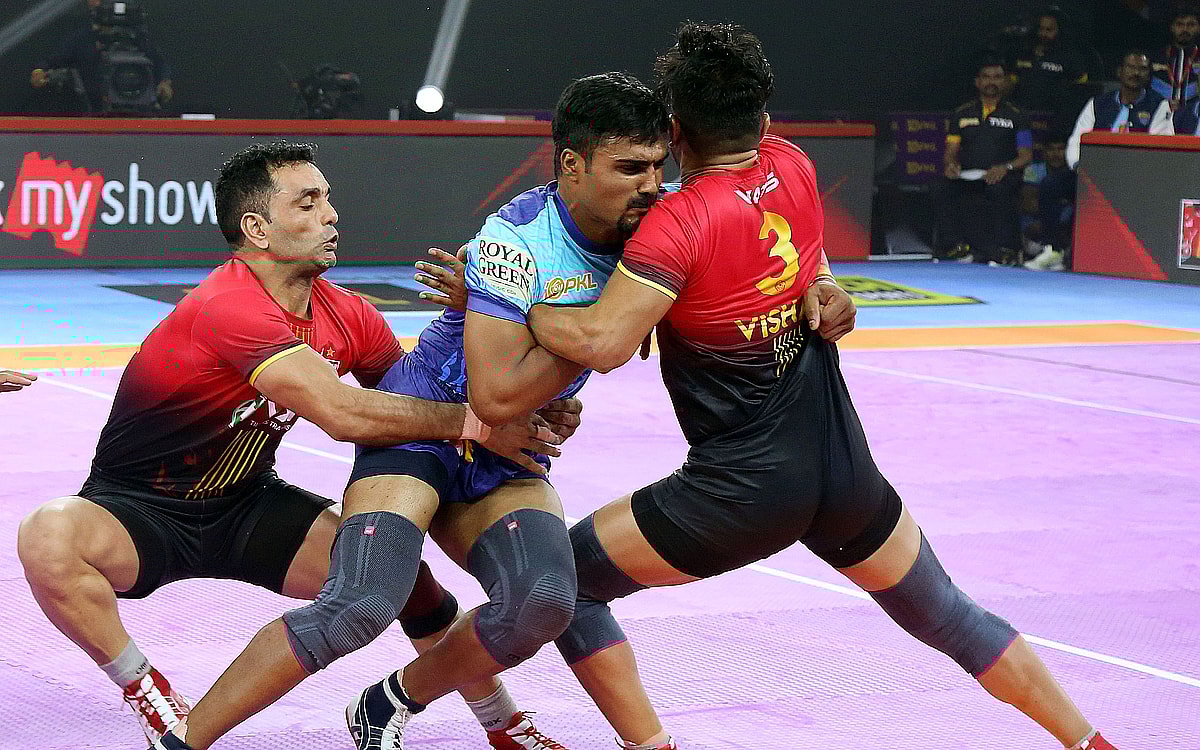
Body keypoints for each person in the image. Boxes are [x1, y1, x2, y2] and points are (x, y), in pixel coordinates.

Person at [523, 22, 1119, 750]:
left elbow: (602, 343)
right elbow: (803, 249)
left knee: (568, 584)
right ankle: (1091, 742)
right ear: (764, 119)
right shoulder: (794, 164)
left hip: (740, 492)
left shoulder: (677, 221)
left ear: (673, 130)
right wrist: (826, 282)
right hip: (842, 472)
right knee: (948, 614)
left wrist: (509, 293)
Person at [146, 72, 671, 750]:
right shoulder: (514, 239)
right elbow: (497, 393)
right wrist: (592, 347)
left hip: (506, 446)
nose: (651, 184)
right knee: (359, 604)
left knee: (544, 600)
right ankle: (181, 743)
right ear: (573, 165)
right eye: (631, 168)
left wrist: (562, 396)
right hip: (423, 431)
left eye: (659, 166)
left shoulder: (664, 226)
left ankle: (389, 700)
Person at [15, 140, 572, 747]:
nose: (331, 215)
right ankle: (144, 687)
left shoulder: (350, 315)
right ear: (257, 228)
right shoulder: (228, 305)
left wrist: (521, 384)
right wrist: (483, 424)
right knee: (48, 537)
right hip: (138, 509)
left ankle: (502, 721)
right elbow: (344, 413)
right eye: (308, 203)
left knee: (394, 572)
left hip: (247, 505)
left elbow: (416, 401)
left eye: (327, 199)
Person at [938, 58, 1034, 265]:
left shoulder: (1017, 115)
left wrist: (1005, 167)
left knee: (997, 189)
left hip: (1003, 175)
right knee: (941, 186)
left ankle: (1003, 250)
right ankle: (955, 246)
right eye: (986, 77)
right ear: (978, 82)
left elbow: (1026, 156)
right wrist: (951, 165)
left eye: (997, 77)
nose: (992, 82)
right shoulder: (961, 113)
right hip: (968, 174)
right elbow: (951, 151)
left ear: (1005, 81)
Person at [29, 0, 173, 114]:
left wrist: (164, 83)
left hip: (137, 110)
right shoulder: (82, 39)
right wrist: (39, 72)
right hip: (94, 112)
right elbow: (54, 60)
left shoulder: (137, 38)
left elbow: (160, 64)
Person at [1066, 49, 1173, 169]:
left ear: (1149, 75)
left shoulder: (1160, 105)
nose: (1136, 73)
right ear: (1119, 71)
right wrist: (1079, 166)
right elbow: (1077, 140)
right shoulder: (1097, 104)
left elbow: (1159, 147)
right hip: (1096, 170)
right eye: (1130, 67)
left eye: (1142, 69)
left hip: (1138, 171)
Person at [1009, 8, 1090, 118]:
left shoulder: (1069, 56)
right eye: (1041, 29)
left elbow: (1080, 89)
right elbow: (1010, 83)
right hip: (1022, 115)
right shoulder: (1023, 52)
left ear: (1059, 31)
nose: (1043, 34)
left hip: (1055, 117)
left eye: (1049, 30)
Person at [1023, 135, 1076, 271]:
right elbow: (1029, 205)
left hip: (1064, 229)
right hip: (1035, 227)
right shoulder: (1033, 170)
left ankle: (1058, 255)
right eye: (1051, 149)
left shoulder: (1074, 175)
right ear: (1044, 152)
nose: (1055, 154)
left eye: (1060, 149)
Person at [1150, 4, 1200, 112]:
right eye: (1180, 24)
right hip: (1157, 114)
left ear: (1198, 28)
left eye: (1191, 25)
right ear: (1172, 27)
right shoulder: (1156, 57)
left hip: (1194, 115)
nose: (1185, 29)